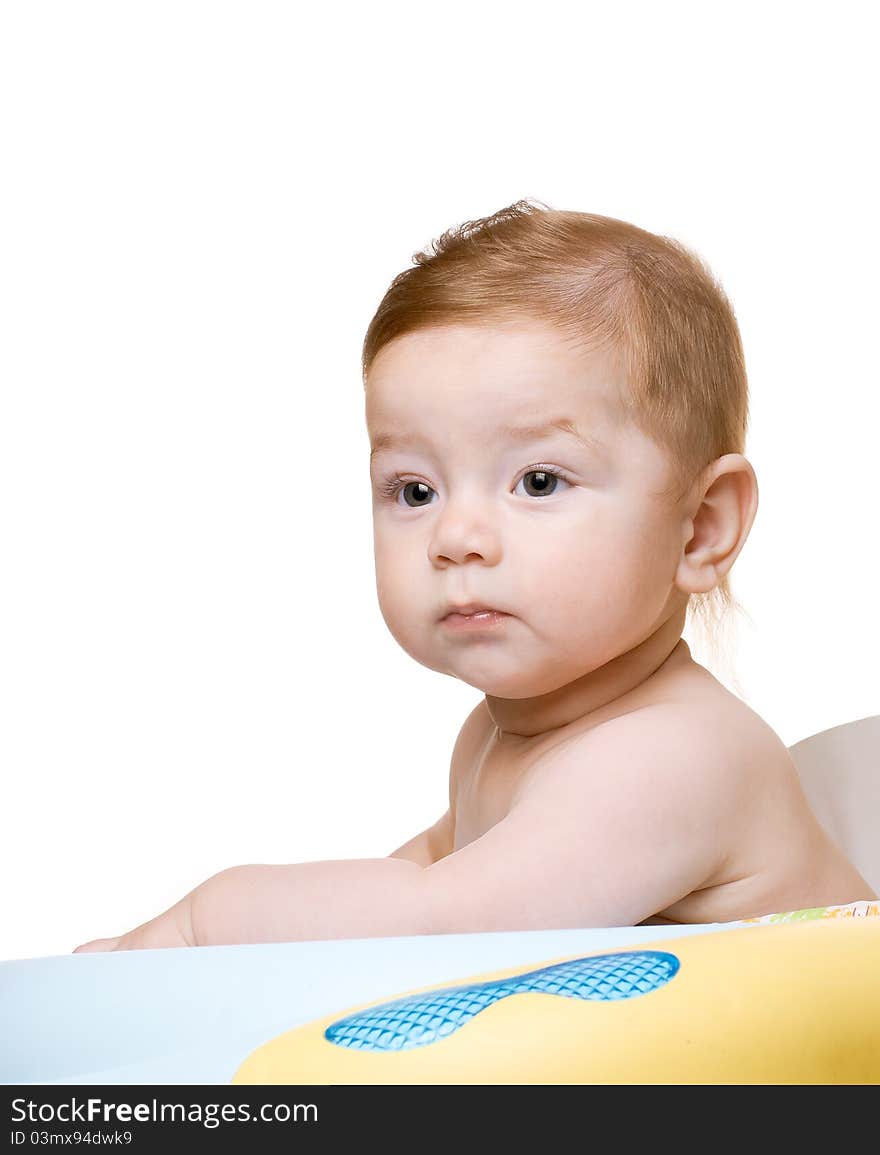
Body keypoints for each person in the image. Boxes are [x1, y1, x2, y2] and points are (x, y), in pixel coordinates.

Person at [74, 200, 875, 952]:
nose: (455, 537)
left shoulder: (676, 757)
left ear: (701, 527)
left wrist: (202, 925)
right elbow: (430, 869)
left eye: (538, 481)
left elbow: (446, 925)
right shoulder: (505, 731)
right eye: (414, 490)